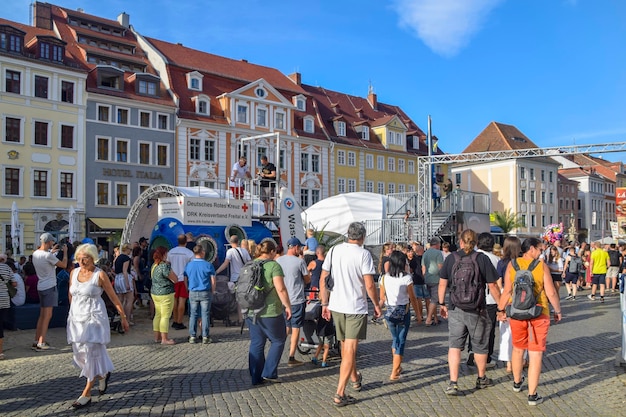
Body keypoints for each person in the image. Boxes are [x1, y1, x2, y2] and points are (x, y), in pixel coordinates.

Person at [320, 222, 381, 407]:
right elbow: (369, 284)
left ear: (348, 235)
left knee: (347, 347)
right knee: (349, 351)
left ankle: (355, 378)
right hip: (355, 306)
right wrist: (377, 305)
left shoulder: (334, 250)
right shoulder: (363, 254)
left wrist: (325, 302)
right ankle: (339, 393)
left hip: (337, 305)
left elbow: (324, 278)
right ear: (362, 237)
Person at [497, 237, 562, 406]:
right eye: (540, 249)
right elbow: (551, 292)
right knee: (535, 354)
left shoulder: (513, 264)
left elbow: (507, 290)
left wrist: (500, 309)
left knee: (518, 348)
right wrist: (557, 310)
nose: (541, 253)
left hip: (517, 312)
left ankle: (517, 382)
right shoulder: (541, 266)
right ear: (531, 249)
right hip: (539, 313)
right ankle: (532, 395)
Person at [66, 243, 129, 409]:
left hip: (94, 318)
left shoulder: (100, 275)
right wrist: (72, 313)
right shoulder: (74, 272)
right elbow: (70, 295)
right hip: (76, 319)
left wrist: (123, 317)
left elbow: (113, 297)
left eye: (85, 258)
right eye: (79, 257)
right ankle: (102, 374)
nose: (81, 260)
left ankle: (86, 393)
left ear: (93, 258)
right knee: (79, 354)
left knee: (91, 352)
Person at [438, 229, 500, 395]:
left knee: (455, 345)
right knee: (480, 345)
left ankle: (453, 382)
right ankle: (481, 378)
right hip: (477, 309)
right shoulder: (482, 259)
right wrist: (502, 306)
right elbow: (493, 285)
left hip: (456, 308)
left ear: (461, 241)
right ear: (476, 243)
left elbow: (442, 283)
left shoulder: (451, 258)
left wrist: (442, 303)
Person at [246, 240, 292, 385]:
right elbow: (281, 289)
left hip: (250, 310)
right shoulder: (274, 265)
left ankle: (255, 376)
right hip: (270, 311)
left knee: (257, 342)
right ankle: (269, 372)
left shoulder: (249, 264)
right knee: (278, 340)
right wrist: (288, 306)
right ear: (272, 252)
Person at [379, 250, 421, 381]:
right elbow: (413, 298)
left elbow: (381, 297)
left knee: (395, 339)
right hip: (404, 311)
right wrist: (419, 314)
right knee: (401, 341)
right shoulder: (406, 278)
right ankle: (394, 372)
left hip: (390, 312)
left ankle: (397, 366)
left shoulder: (384, 278)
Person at [469, 232, 502, 368]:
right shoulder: (495, 260)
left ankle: (472, 354)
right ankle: (486, 358)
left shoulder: (471, 257)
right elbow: (497, 282)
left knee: (474, 329)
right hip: (491, 300)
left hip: (473, 298)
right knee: (489, 330)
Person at [276, 237, 311, 367]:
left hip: (282, 300)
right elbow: (307, 280)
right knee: (295, 328)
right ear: (296, 247)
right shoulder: (299, 262)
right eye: (300, 247)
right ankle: (291, 356)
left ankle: (277, 353)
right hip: (296, 300)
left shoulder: (278, 260)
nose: (301, 249)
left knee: (286, 327)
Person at [32, 233, 68, 351]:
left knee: (42, 315)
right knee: (47, 315)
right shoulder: (48, 256)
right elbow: (63, 265)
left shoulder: (36, 254)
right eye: (52, 242)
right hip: (49, 286)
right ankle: (41, 342)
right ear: (48, 242)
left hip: (41, 285)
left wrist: (51, 252)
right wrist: (65, 253)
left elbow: (45, 257)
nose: (53, 243)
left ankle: (37, 339)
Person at [496, 236, 522, 373]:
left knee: (505, 332)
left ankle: (509, 364)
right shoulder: (521, 262)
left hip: (506, 296)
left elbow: (499, 283)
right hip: (520, 297)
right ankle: (522, 359)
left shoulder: (502, 263)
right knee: (522, 330)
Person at [215, 235, 251, 325]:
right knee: (245, 298)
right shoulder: (244, 251)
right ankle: (247, 317)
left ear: (231, 242)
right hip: (245, 277)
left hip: (235, 278)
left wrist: (216, 272)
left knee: (238, 300)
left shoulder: (230, 251)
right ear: (238, 241)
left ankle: (240, 319)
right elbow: (249, 263)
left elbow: (226, 263)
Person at [184, 245, 216, 344]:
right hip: (205, 291)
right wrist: (213, 291)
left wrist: (187, 289)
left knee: (193, 314)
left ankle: (192, 336)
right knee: (205, 314)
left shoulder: (189, 265)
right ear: (202, 252)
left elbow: (185, 278)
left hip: (193, 291)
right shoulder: (208, 265)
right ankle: (205, 336)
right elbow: (213, 280)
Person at [150, 246, 178, 345]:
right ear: (164, 254)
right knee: (165, 316)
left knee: (158, 315)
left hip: (155, 293)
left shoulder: (154, 266)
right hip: (166, 293)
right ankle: (164, 339)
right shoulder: (164, 266)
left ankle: (156, 337)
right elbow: (175, 279)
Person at [168, 235, 194, 330]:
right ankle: (179, 321)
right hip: (183, 278)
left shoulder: (171, 252)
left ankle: (174, 320)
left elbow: (167, 264)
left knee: (174, 300)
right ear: (186, 242)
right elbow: (192, 266)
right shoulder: (189, 253)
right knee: (182, 300)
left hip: (172, 279)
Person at [422, 237, 443, 326]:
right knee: (434, 300)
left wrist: (424, 277)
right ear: (437, 244)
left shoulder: (425, 253)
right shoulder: (438, 253)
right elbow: (440, 266)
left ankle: (436, 319)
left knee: (431, 299)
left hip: (427, 278)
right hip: (436, 278)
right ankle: (429, 318)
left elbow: (423, 267)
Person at [113, 244, 134, 326]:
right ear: (127, 249)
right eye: (130, 249)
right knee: (129, 300)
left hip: (117, 278)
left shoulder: (117, 258)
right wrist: (127, 283)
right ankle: (127, 319)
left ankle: (120, 318)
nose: (130, 251)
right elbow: (125, 271)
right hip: (124, 278)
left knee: (120, 299)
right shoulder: (126, 258)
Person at [0, 256, 14, 359]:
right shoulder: (7, 268)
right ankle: (0, 352)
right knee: (0, 326)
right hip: (4, 300)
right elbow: (14, 283)